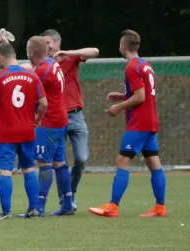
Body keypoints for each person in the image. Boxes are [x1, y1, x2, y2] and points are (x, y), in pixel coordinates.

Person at [88, 30, 166, 218]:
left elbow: (141, 96)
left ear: (123, 46)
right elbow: (143, 93)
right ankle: (160, 207)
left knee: (123, 160)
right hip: (151, 120)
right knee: (153, 162)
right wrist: (123, 96)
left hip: (139, 122)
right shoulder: (145, 65)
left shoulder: (131, 67)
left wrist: (119, 107)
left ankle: (112, 206)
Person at [0, 41, 47, 220]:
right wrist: (37, 119)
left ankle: (7, 212)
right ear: (14, 56)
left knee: (6, 171)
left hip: (7, 133)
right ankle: (34, 209)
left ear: (0, 58)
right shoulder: (32, 76)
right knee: (29, 168)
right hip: (27, 131)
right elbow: (44, 103)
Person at [41, 29, 99, 209]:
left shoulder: (71, 58)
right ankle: (65, 200)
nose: (46, 47)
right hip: (55, 119)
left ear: (58, 43)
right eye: (43, 44)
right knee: (60, 162)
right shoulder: (42, 65)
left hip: (75, 116)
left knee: (81, 158)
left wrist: (68, 53)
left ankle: (70, 192)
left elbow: (95, 51)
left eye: (48, 43)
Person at [25, 36, 74, 216]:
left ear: (31, 52)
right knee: (59, 162)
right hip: (61, 118)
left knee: (44, 163)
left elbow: (34, 97)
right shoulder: (53, 64)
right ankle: (68, 204)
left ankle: (39, 207)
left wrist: (36, 118)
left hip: (49, 121)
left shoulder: (42, 70)